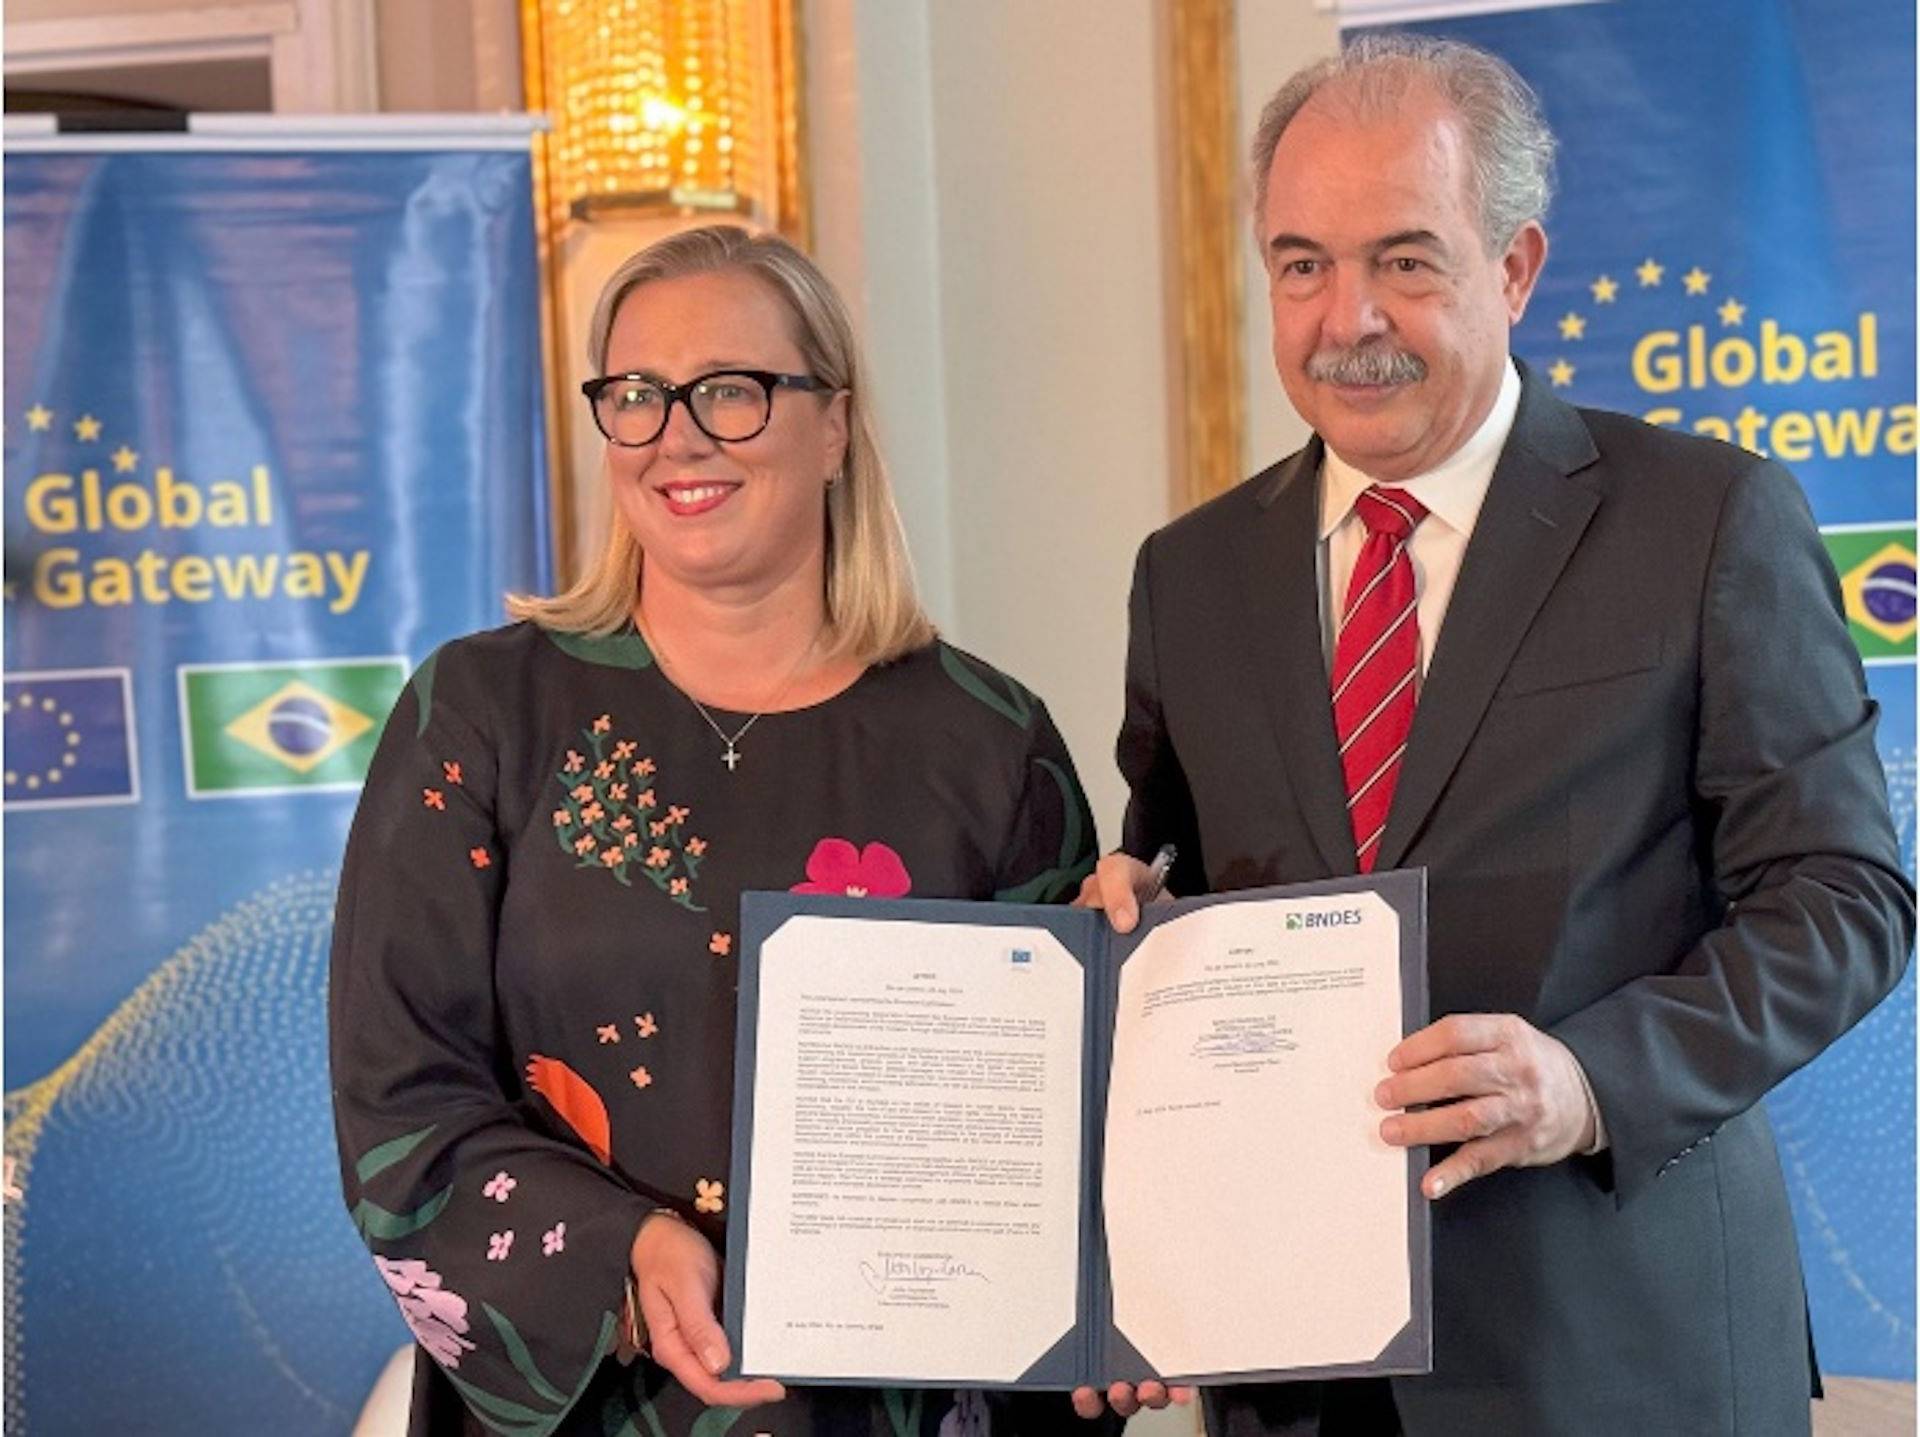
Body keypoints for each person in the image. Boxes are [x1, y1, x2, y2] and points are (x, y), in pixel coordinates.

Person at [1079, 33, 1914, 1436]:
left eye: (1404, 260)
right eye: (1301, 264)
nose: (1347, 318)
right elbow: (1181, 876)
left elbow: (1844, 901)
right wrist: (1136, 923)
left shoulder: (1705, 520)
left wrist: (1587, 1082)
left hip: (1623, 1357)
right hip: (1299, 1372)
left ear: (1515, 269)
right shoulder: (1191, 575)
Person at [330, 224, 1110, 1437]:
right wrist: (625, 1252)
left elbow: (1067, 1120)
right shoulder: (481, 713)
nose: (676, 436)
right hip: (597, 1404)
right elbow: (399, 1091)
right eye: (636, 394)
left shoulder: (989, 740)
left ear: (835, 425)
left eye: (730, 391)